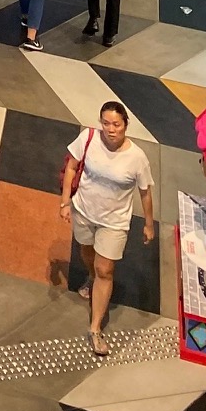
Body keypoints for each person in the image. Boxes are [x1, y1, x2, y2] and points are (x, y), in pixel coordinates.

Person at [60, 100, 156, 357]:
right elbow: (71, 167)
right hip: (84, 211)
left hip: (114, 222)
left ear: (126, 124)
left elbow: (145, 192)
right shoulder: (88, 138)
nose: (111, 129)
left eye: (116, 124)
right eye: (106, 123)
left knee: (106, 269)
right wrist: (65, 202)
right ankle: (91, 277)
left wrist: (148, 224)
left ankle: (95, 328)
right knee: (86, 251)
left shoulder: (137, 158)